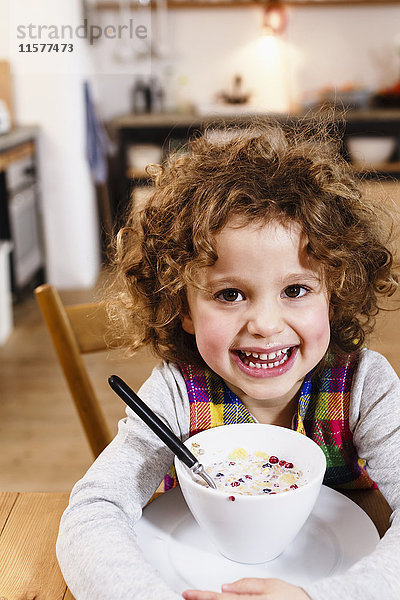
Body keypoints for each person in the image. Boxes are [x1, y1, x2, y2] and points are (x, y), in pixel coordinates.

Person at [56, 119, 400, 600]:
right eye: (231, 293)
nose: (265, 323)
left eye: (296, 290)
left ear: (335, 295)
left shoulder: (365, 385)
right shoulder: (175, 396)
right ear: (184, 308)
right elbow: (94, 509)